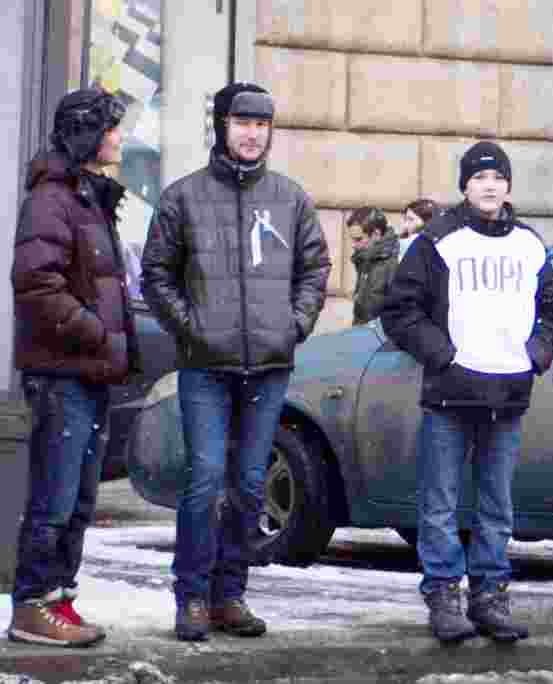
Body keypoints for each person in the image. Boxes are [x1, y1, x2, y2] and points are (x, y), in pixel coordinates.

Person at [141, 82, 331, 642]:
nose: (252, 133)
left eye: (261, 124)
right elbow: (157, 274)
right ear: (222, 126)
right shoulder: (183, 197)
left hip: (268, 368)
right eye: (242, 122)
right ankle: (192, 597)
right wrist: (192, 327)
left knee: (249, 485)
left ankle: (229, 594)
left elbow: (315, 269)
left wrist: (293, 326)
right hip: (206, 366)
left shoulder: (290, 198)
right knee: (204, 480)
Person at [380, 141, 553, 644]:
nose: (489, 186)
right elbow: (400, 310)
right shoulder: (439, 239)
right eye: (480, 177)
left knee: (496, 506)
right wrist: (443, 355)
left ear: (508, 185)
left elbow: (551, 308)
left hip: (508, 393)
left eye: (498, 177)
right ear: (465, 186)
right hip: (451, 393)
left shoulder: (528, 242)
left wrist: (536, 354)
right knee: (439, 502)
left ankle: (489, 596)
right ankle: (443, 595)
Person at [8, 88, 133, 648]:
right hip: (62, 372)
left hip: (89, 370)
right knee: (54, 497)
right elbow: (37, 285)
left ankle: (57, 598)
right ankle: (32, 606)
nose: (118, 138)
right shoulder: (51, 199)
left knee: (79, 499)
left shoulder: (86, 195)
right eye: (111, 128)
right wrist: (97, 332)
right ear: (87, 134)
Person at [348, 206, 399, 325]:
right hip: (363, 330)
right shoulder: (365, 257)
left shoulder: (395, 262)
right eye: (352, 239)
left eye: (358, 239)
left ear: (376, 234)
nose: (353, 245)